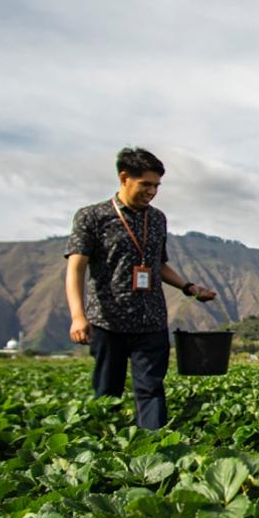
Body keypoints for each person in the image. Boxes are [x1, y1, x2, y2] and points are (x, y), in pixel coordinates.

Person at [64, 147, 217, 429]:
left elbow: (158, 265)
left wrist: (190, 288)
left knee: (151, 389)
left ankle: (155, 447)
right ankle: (102, 451)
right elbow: (76, 268)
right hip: (108, 321)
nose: (152, 192)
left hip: (151, 320)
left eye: (156, 186)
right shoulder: (92, 217)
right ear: (124, 178)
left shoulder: (157, 219)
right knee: (107, 391)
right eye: (145, 184)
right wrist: (78, 315)